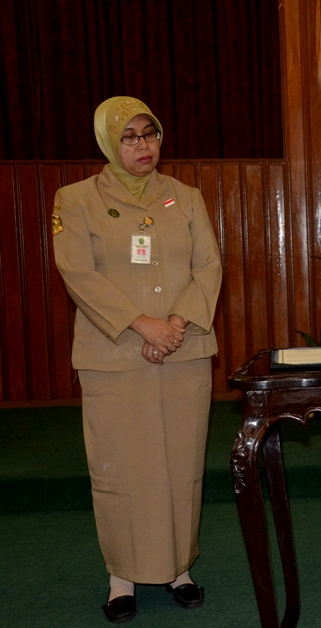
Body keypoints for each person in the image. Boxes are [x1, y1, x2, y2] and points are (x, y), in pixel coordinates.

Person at [53, 97, 223, 623]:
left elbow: (209, 266)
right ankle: (121, 576)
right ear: (108, 142)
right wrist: (140, 324)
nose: (143, 146)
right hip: (115, 355)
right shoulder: (75, 199)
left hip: (184, 350)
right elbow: (78, 274)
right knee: (121, 470)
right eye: (129, 137)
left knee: (181, 465)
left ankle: (179, 570)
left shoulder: (187, 197)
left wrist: (175, 325)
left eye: (150, 134)